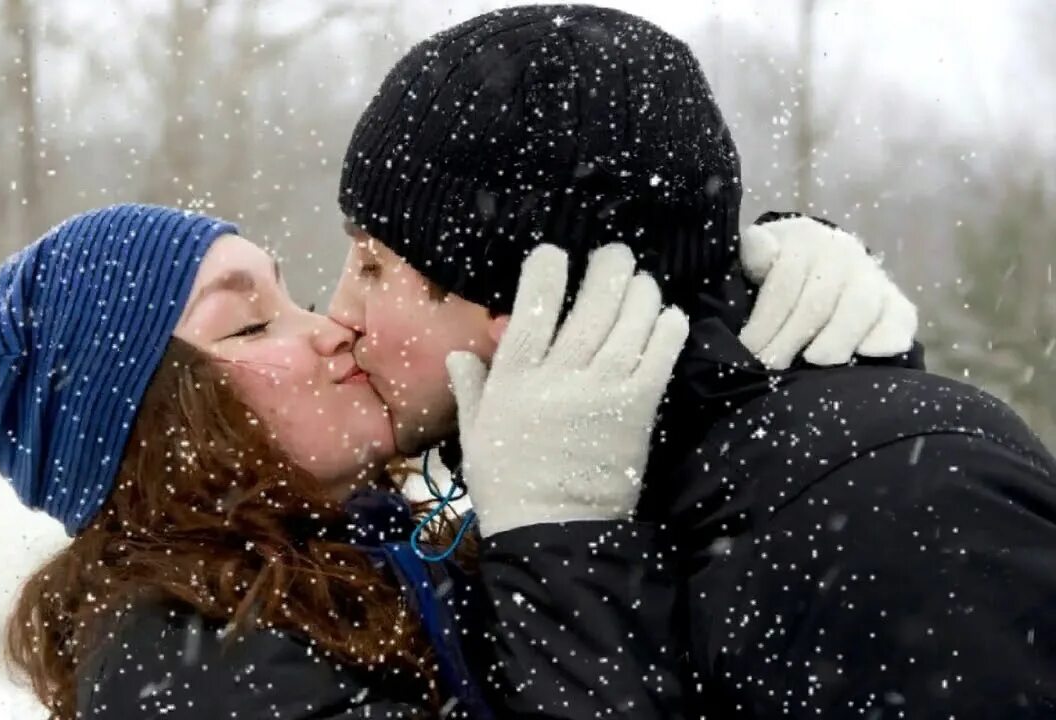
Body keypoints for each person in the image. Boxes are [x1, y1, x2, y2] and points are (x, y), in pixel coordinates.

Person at [0, 198, 914, 719]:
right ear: (162, 430)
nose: (330, 328)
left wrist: (763, 296)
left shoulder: (378, 550)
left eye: (293, 292)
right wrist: (557, 534)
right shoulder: (181, 671)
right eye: (249, 327)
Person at [330, 4, 1056, 718]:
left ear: (522, 300)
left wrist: (564, 558)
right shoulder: (585, 484)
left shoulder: (901, 506)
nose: (339, 314)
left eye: (369, 266)